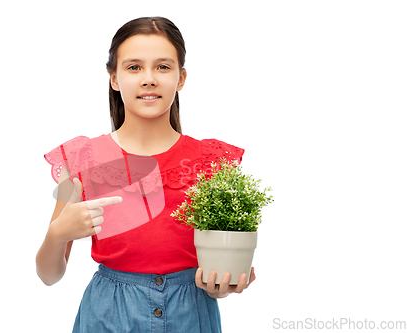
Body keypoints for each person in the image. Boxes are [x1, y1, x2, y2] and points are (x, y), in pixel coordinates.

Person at [36, 16, 256, 333]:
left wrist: (222, 282)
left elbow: (223, 261)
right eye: (134, 67)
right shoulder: (85, 158)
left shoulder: (210, 161)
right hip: (107, 316)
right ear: (114, 78)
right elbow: (48, 275)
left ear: (181, 78)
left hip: (190, 315)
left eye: (163, 67)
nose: (149, 79)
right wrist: (58, 233)